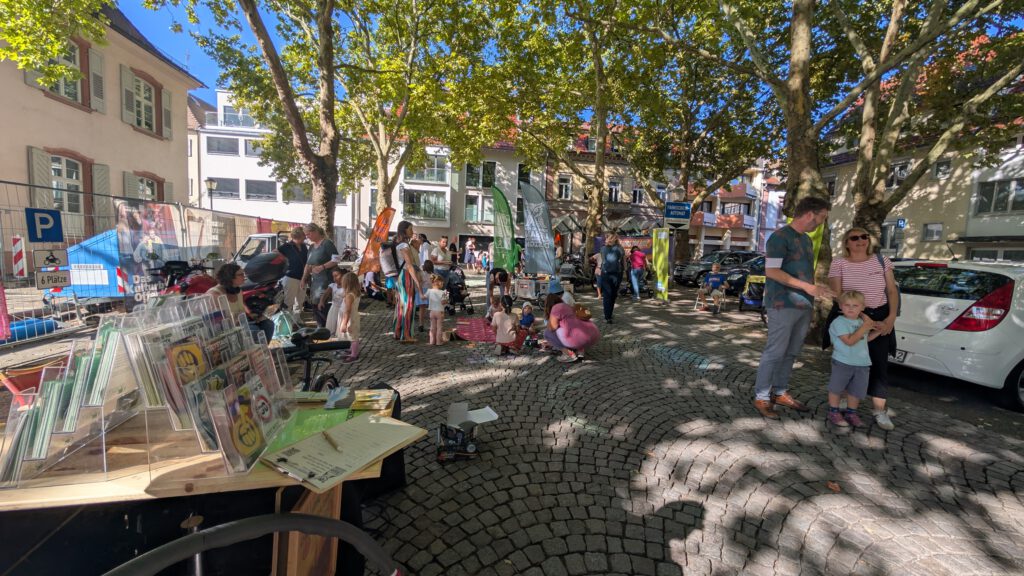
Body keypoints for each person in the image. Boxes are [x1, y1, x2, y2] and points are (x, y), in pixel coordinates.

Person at [753, 196, 833, 419]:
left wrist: (815, 290)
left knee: (790, 352)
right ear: (810, 214)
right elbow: (772, 272)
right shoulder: (779, 237)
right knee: (775, 351)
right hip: (782, 303)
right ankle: (761, 396)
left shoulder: (806, 240)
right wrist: (807, 287)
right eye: (822, 217)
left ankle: (779, 392)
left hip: (803, 305)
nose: (821, 222)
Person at [828, 227, 899, 430]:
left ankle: (879, 410)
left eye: (864, 236)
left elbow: (892, 291)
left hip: (880, 316)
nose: (860, 240)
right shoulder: (839, 262)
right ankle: (843, 402)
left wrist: (891, 318)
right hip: (851, 317)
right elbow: (837, 294)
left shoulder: (881, 261)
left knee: (879, 364)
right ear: (847, 242)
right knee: (847, 360)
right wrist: (859, 316)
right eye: (855, 237)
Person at [826, 290, 877, 428]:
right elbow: (849, 341)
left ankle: (851, 413)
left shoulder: (861, 322)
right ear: (841, 306)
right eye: (847, 305)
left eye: (855, 305)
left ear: (862, 308)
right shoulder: (839, 322)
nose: (850, 308)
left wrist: (878, 330)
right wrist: (866, 326)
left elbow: (864, 339)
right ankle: (833, 411)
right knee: (836, 388)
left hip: (862, 363)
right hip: (843, 361)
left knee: (856, 391)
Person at [208, 262, 274, 343]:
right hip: (229, 328)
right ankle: (256, 351)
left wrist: (252, 315)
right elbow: (217, 320)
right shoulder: (215, 294)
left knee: (268, 324)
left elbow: (242, 308)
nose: (244, 276)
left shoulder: (237, 290)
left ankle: (262, 350)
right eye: (240, 274)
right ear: (230, 277)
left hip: (241, 323)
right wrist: (237, 319)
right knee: (254, 330)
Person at [543, 293, 601, 363]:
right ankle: (580, 351)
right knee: (571, 328)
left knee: (547, 333)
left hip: (579, 338)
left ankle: (569, 354)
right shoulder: (568, 306)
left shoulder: (556, 308)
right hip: (593, 334)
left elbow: (552, 327)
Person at [302, 223, 339, 328]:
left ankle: (326, 328)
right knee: (315, 303)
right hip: (315, 281)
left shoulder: (327, 244)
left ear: (315, 232)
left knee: (322, 303)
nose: (307, 237)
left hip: (326, 279)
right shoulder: (312, 247)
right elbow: (308, 264)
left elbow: (336, 259)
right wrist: (304, 278)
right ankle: (321, 327)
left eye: (308, 234)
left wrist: (322, 266)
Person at [393, 221, 421, 342]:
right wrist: (418, 284)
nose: (412, 231)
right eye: (410, 229)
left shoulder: (399, 244)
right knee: (408, 306)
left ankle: (398, 331)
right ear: (404, 230)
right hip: (406, 277)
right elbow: (409, 266)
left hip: (401, 277)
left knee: (401, 305)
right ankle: (406, 335)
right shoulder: (404, 246)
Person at [595, 233, 625, 323]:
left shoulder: (603, 249)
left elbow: (603, 259)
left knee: (607, 295)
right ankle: (610, 314)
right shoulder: (620, 248)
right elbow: (622, 258)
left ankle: (607, 316)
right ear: (616, 239)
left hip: (605, 273)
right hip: (617, 274)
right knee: (613, 295)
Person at [277, 227, 308, 315]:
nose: (305, 237)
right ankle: (287, 323)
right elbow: (275, 252)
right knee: (289, 302)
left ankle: (297, 320)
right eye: (303, 236)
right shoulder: (287, 246)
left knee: (300, 301)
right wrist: (284, 259)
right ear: (298, 236)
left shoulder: (303, 246)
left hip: (303, 278)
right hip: (291, 277)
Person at [337, 272, 362, 362]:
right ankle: (352, 350)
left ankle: (354, 355)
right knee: (352, 335)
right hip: (354, 317)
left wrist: (344, 323)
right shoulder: (355, 293)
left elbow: (348, 311)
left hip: (350, 318)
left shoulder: (349, 296)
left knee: (353, 336)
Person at [319, 268, 347, 338]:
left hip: (343, 310)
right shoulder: (333, 285)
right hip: (334, 309)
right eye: (333, 276)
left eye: (336, 276)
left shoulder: (347, 287)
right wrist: (321, 301)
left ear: (343, 276)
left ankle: (341, 339)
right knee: (332, 325)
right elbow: (325, 294)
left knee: (340, 326)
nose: (334, 278)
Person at [426, 275, 447, 346]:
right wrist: (447, 298)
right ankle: (439, 342)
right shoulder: (443, 292)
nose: (443, 284)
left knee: (432, 327)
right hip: (439, 312)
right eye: (442, 283)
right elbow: (443, 302)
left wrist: (420, 291)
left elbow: (423, 297)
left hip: (432, 312)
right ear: (439, 283)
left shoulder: (429, 291)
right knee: (439, 327)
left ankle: (432, 341)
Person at [416, 260, 434, 333]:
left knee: (421, 309)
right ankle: (432, 324)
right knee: (431, 309)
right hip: (430, 291)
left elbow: (419, 283)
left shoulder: (421, 273)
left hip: (422, 291)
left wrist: (419, 292)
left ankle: (421, 324)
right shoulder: (433, 275)